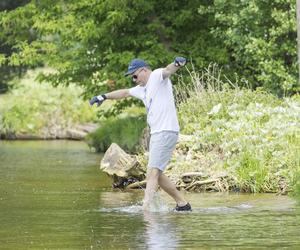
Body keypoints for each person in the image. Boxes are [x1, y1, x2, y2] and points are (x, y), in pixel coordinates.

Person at [89, 57, 192, 212]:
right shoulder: (142, 89)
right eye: (132, 77)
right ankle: (182, 204)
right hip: (157, 133)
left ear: (144, 70)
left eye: (135, 75)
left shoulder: (157, 76)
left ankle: (146, 209)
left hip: (165, 131)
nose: (133, 79)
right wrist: (103, 96)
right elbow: (124, 93)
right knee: (157, 173)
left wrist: (177, 64)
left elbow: (168, 70)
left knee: (152, 172)